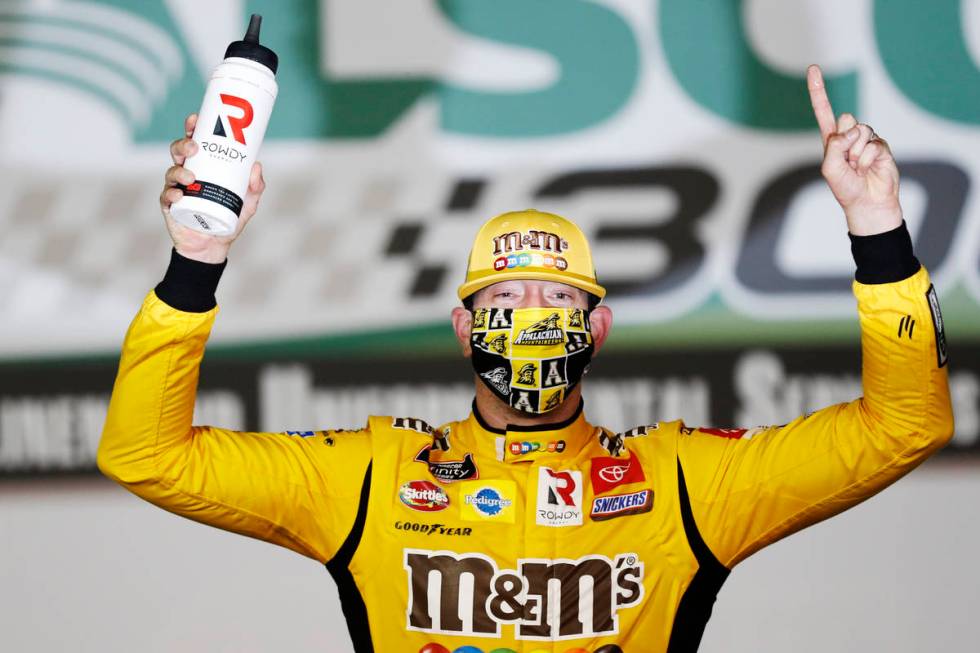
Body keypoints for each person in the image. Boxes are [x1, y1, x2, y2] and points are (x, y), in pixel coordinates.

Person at [98, 65, 953, 653]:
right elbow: (144, 453)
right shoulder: (372, 474)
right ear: (464, 330)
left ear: (601, 326)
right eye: (505, 305)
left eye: (558, 301)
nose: (532, 321)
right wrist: (194, 262)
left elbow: (905, 425)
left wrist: (876, 224)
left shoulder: (688, 480)